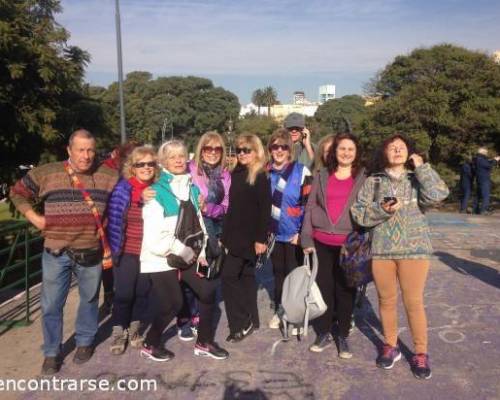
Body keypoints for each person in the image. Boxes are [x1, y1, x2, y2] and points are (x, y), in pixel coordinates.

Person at [9, 129, 118, 375]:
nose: (86, 155)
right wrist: (34, 218)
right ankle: (51, 352)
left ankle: (85, 341)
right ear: (69, 150)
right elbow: (17, 192)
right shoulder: (47, 173)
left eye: (90, 149)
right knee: (51, 305)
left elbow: (128, 193)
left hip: (90, 250)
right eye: (80, 149)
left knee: (89, 300)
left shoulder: (108, 175)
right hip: (55, 252)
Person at [351, 133, 449, 380]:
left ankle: (420, 352)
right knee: (386, 301)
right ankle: (390, 345)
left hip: (415, 251)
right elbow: (359, 214)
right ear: (384, 152)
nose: (397, 150)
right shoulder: (373, 182)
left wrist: (423, 167)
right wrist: (381, 210)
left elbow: (438, 195)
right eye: (392, 147)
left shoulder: (418, 179)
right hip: (382, 250)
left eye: (402, 147)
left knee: (413, 302)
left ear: (409, 153)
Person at [140, 140, 229, 361]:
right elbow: (155, 239)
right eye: (172, 157)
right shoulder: (155, 193)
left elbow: (198, 224)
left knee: (208, 291)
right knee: (173, 304)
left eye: (181, 155)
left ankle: (204, 342)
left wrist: (200, 252)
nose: (178, 160)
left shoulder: (192, 188)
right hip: (161, 258)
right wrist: (186, 252)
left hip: (188, 254)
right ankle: (150, 343)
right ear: (163, 162)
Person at [301, 133, 366, 359]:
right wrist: (306, 238)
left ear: (356, 153)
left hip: (349, 244)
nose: (346, 153)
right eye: (342, 149)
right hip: (321, 242)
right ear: (334, 151)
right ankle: (324, 332)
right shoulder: (322, 175)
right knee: (324, 289)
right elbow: (310, 207)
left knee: (346, 290)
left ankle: (343, 335)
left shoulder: (363, 178)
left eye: (350, 149)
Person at [174, 131, 231, 341]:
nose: (213, 153)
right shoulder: (189, 169)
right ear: (201, 150)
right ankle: (184, 317)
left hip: (213, 232)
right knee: (187, 275)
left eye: (217, 149)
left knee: (206, 275)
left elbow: (226, 206)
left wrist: (208, 208)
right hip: (188, 231)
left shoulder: (225, 175)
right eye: (208, 148)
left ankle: (199, 314)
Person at [106, 146, 158, 355]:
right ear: (132, 167)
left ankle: (135, 329)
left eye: (150, 163)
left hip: (149, 252)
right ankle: (119, 330)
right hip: (126, 249)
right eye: (141, 164)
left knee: (142, 293)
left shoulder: (160, 187)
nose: (146, 167)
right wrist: (139, 198)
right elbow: (114, 219)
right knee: (125, 293)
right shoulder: (123, 189)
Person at [221, 133, 272, 343]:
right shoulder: (236, 173)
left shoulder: (259, 175)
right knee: (245, 277)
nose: (242, 154)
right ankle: (252, 319)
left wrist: (260, 239)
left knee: (229, 277)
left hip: (250, 238)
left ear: (256, 152)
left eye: (246, 150)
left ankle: (239, 324)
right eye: (239, 150)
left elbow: (264, 210)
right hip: (233, 235)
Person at [266, 128, 312, 329]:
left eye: (283, 146)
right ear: (270, 149)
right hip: (274, 234)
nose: (279, 150)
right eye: (275, 146)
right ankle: (280, 309)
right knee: (278, 274)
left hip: (294, 233)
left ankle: (297, 314)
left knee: (296, 275)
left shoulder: (302, 171)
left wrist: (302, 233)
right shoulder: (264, 173)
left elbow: (309, 205)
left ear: (289, 149)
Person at [472, 148, 500, 215]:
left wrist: (493, 160)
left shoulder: (477, 159)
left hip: (479, 179)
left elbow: (486, 163)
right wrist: (495, 161)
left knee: (478, 195)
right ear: (483, 153)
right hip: (484, 179)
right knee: (486, 195)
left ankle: (475, 210)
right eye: (486, 153)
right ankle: (483, 210)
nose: (487, 154)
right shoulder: (481, 160)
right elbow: (489, 166)